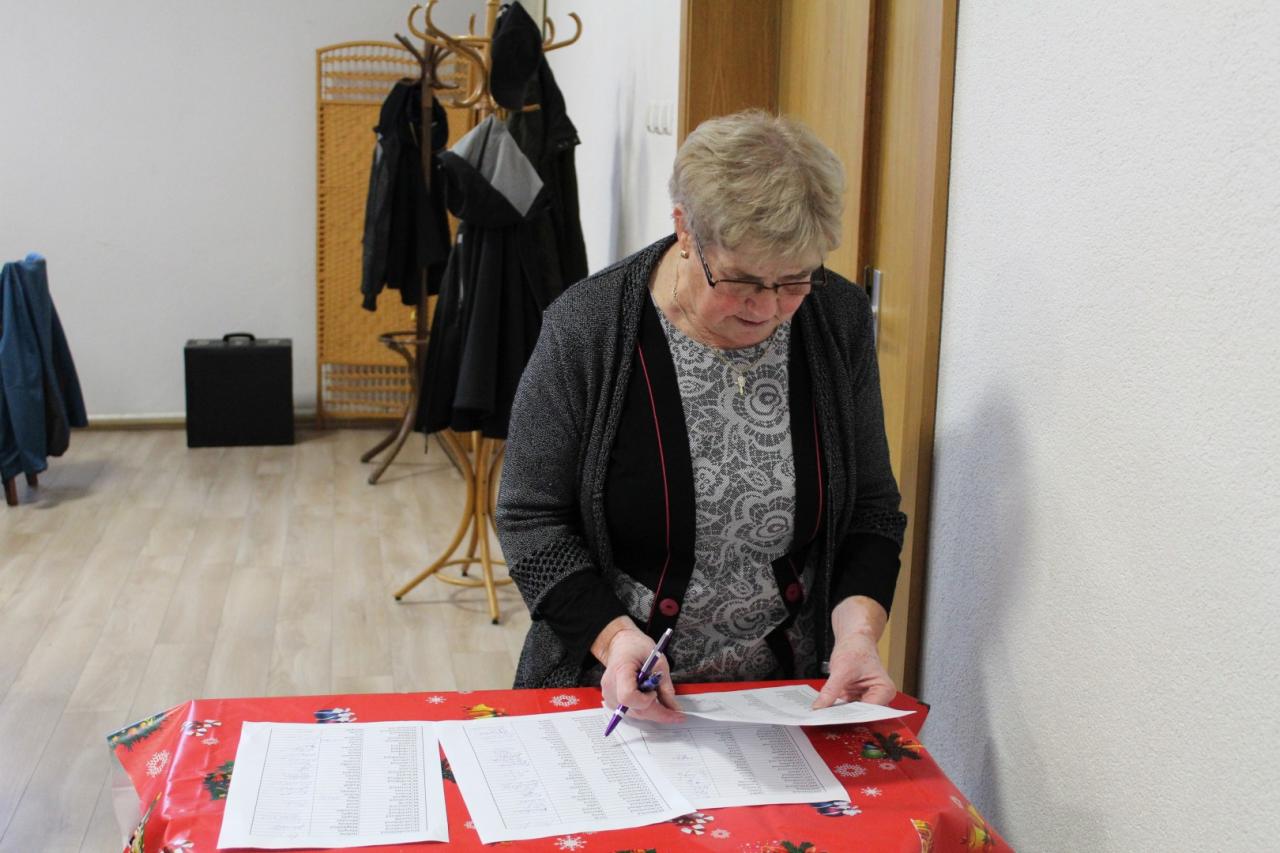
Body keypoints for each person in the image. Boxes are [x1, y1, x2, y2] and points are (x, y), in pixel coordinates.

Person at [496, 110, 906, 724]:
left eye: (794, 281)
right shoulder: (586, 328)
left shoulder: (836, 319)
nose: (768, 308)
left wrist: (857, 635)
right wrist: (614, 640)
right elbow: (530, 518)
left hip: (787, 694)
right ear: (685, 229)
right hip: (612, 683)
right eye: (742, 280)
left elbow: (871, 508)